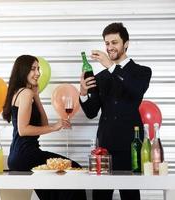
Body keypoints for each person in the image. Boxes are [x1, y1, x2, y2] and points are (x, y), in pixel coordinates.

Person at [79, 22, 152, 200]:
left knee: (131, 195)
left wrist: (111, 67)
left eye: (114, 42)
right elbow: (91, 112)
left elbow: (135, 90)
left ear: (126, 44)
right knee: (101, 196)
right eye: (107, 43)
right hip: (105, 146)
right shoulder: (100, 77)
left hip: (131, 144)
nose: (110, 47)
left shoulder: (141, 72)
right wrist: (82, 93)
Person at [3, 55, 87, 200]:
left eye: (38, 69)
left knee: (57, 189)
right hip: (26, 155)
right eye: (33, 69)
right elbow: (23, 130)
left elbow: (43, 124)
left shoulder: (24, 93)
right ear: (23, 71)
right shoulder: (25, 93)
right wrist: (55, 127)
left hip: (22, 155)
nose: (38, 73)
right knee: (73, 170)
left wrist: (37, 96)